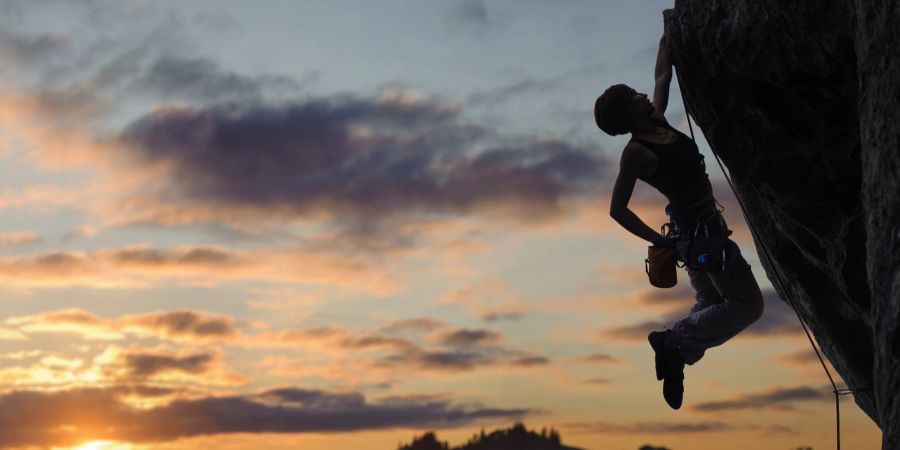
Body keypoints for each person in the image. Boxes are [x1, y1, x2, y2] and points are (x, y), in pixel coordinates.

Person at [593, 30, 765, 410]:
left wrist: (667, 31)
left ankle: (676, 356)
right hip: (701, 239)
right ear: (627, 113)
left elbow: (661, 76)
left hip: (697, 233)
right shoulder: (636, 153)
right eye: (633, 96)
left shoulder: (657, 121)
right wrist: (659, 239)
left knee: (708, 299)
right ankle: (672, 343)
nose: (642, 95)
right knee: (748, 305)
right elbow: (617, 209)